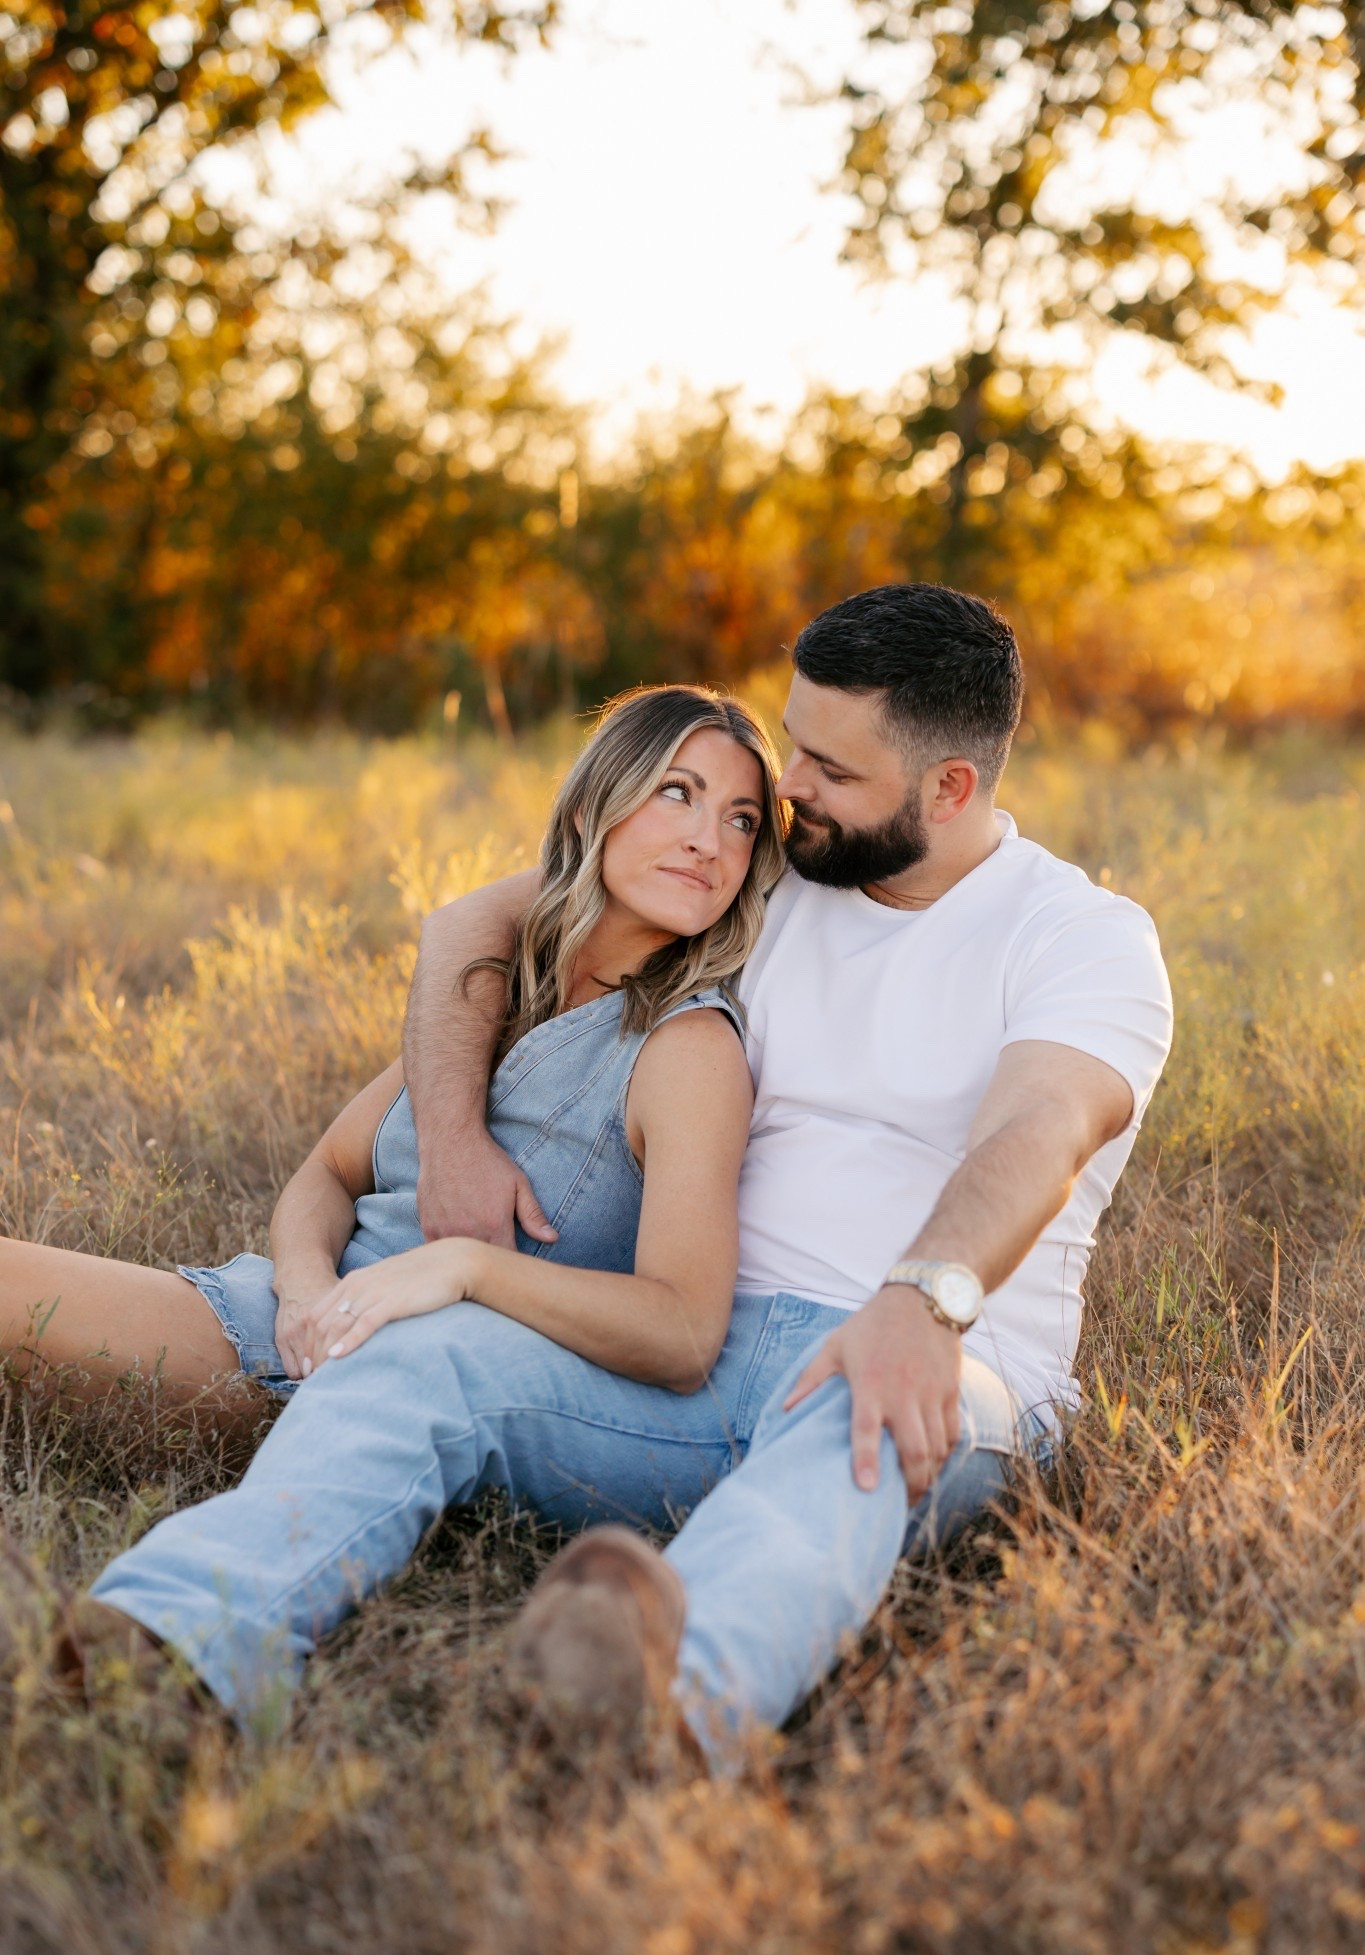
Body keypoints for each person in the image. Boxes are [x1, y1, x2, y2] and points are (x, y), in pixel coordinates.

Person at [406, 583, 1176, 1757]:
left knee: (852, 1417)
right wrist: (455, 1143)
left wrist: (922, 1303)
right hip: (697, 1355)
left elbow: (1043, 1128)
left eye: (828, 763)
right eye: (793, 741)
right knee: (441, 1358)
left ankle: (659, 1723)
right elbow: (478, 921)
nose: (785, 786)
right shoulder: (773, 879)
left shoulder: (1081, 935)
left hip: (945, 1363)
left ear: (951, 787)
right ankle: (173, 1632)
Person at [1, 686, 790, 1712]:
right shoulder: (499, 990)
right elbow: (328, 1172)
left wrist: (462, 1267)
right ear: (594, 809)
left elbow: (683, 1327)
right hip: (290, 1322)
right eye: (677, 793)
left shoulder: (686, 1047)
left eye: (739, 818)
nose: (708, 840)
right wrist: (297, 1289)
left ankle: (133, 1653)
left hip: (411, 1376)